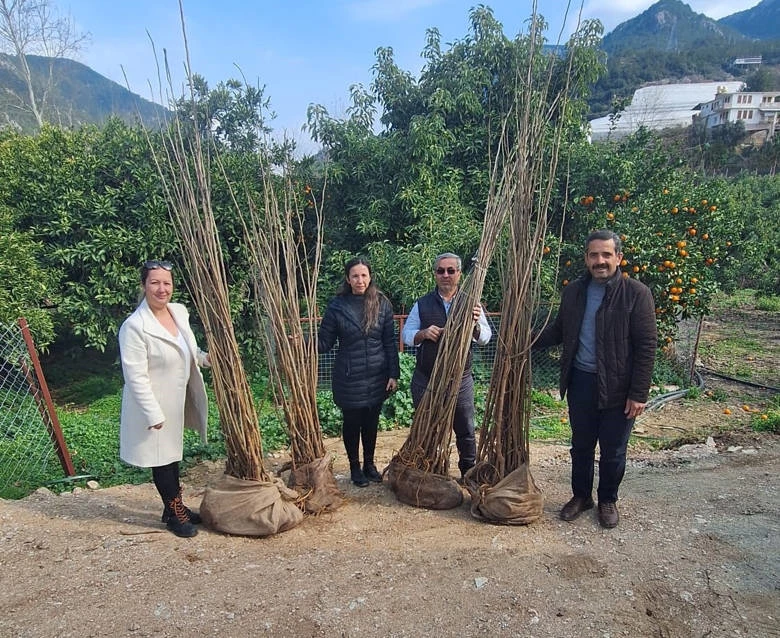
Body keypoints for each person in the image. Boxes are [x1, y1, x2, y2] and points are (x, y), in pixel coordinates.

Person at [535, 230, 656, 528]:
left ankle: (607, 500)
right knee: (581, 445)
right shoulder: (575, 291)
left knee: (613, 449)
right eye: (594, 255)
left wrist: (638, 392)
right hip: (581, 382)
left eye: (606, 255)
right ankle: (581, 496)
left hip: (619, 387)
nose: (599, 261)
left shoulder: (636, 293)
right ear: (586, 258)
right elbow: (560, 330)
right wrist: (526, 340)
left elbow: (646, 346)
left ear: (618, 258)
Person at [118, 260, 210, 538]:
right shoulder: (135, 326)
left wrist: (205, 359)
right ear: (144, 285)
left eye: (166, 283)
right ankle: (175, 515)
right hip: (153, 404)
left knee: (171, 457)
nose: (162, 289)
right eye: (155, 282)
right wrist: (153, 414)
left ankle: (173, 507)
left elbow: (188, 351)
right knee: (162, 460)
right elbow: (135, 376)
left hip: (176, 400)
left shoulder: (178, 313)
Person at [401, 252, 492, 479]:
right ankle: (428, 470)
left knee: (465, 429)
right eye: (441, 271)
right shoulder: (422, 303)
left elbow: (486, 337)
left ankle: (468, 472)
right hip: (427, 378)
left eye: (451, 271)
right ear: (435, 274)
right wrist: (423, 333)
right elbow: (406, 334)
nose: (445, 275)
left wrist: (475, 326)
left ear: (459, 274)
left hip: (459, 380)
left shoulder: (471, 304)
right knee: (426, 425)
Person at [318, 257, 400, 487]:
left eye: (364, 275)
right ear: (348, 279)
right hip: (349, 375)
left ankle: (370, 465)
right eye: (355, 275)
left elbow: (389, 341)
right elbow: (325, 342)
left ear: (370, 276)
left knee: (371, 422)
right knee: (352, 422)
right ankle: (355, 467)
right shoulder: (337, 306)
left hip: (377, 374)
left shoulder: (381, 303)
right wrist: (302, 342)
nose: (360, 280)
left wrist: (393, 373)